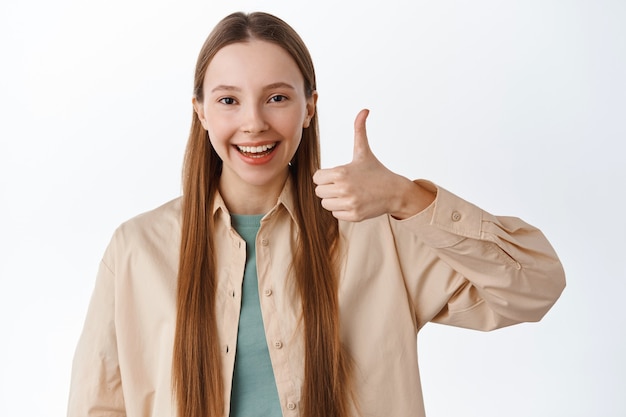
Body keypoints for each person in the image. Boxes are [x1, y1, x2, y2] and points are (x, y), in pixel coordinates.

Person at [67, 11, 566, 417]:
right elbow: (98, 406)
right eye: (228, 100)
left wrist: (405, 198)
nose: (254, 123)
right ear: (200, 112)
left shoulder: (378, 235)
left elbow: (534, 286)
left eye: (277, 98)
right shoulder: (136, 249)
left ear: (309, 106)